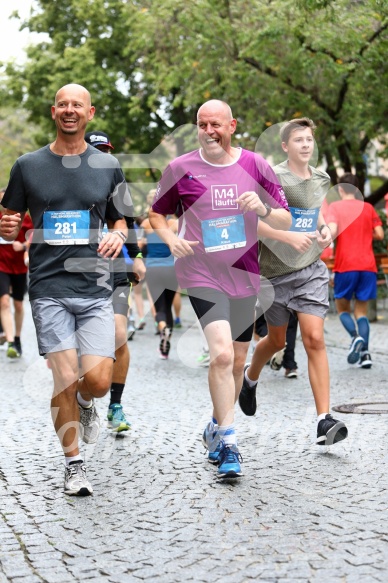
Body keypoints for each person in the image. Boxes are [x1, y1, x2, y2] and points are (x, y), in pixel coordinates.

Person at [0, 84, 133, 496]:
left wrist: (118, 237)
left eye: (78, 105)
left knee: (95, 380)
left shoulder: (108, 165)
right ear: (53, 111)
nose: (70, 110)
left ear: (89, 113)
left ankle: (90, 403)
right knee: (64, 378)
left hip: (95, 286)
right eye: (63, 104)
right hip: (48, 286)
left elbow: (122, 219)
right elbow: (9, 214)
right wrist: (5, 226)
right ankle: (74, 465)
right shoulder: (28, 165)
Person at [149, 99, 290, 478]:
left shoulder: (255, 165)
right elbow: (156, 212)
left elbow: (285, 216)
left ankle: (214, 425)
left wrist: (261, 209)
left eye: (216, 124)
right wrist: (169, 236)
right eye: (202, 124)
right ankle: (229, 442)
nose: (208, 131)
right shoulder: (180, 168)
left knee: (237, 362)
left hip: (243, 274)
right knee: (223, 356)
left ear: (232, 126)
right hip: (199, 273)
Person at [239, 117, 348, 447]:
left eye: (309, 140)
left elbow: (320, 213)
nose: (305, 145)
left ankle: (323, 420)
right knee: (277, 342)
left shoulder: (321, 177)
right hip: (273, 275)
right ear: (285, 146)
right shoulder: (272, 177)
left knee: (314, 338)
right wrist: (286, 235)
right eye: (298, 140)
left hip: (311, 269)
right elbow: (252, 223)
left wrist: (327, 228)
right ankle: (249, 377)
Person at [85, 130, 146, 430]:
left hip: (114, 270)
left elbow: (128, 222)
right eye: (97, 151)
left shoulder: (117, 183)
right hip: (81, 270)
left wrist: (136, 257)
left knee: (119, 334)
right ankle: (86, 393)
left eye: (106, 151)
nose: (102, 157)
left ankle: (116, 405)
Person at [327, 173, 384, 368]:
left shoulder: (335, 208)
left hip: (346, 265)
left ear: (341, 189)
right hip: (368, 266)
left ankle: (355, 337)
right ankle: (365, 354)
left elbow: (332, 232)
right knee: (361, 311)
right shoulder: (368, 208)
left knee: (343, 308)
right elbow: (380, 234)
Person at [141, 206, 179, 359]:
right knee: (168, 305)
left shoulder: (145, 223)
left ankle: (162, 327)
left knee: (159, 306)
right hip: (172, 270)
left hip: (153, 269)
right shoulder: (174, 223)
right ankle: (165, 348)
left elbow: (138, 246)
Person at [0, 188, 33, 358]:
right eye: (2, 205)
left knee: (18, 305)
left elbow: (36, 238)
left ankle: (18, 338)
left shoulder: (25, 220)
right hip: (1, 267)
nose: (5, 208)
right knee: (4, 302)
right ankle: (11, 341)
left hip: (20, 267)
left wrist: (24, 246)